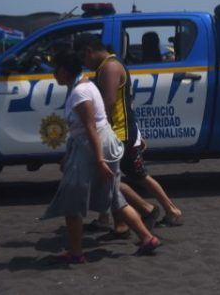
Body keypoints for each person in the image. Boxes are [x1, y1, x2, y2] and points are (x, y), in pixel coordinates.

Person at [41, 50, 160, 263]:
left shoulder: (80, 92)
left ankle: (76, 253)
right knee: (114, 197)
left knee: (73, 199)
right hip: (95, 145)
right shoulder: (83, 87)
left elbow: (90, 127)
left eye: (55, 69)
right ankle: (147, 238)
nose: (53, 74)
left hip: (94, 146)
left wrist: (99, 160)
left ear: (64, 70)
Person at [74, 34, 183, 233]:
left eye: (83, 59)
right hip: (121, 131)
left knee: (131, 175)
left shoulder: (109, 67)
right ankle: (116, 221)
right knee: (115, 176)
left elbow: (107, 104)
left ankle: (167, 210)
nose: (84, 64)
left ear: (89, 51)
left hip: (119, 133)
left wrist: (95, 132)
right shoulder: (106, 66)